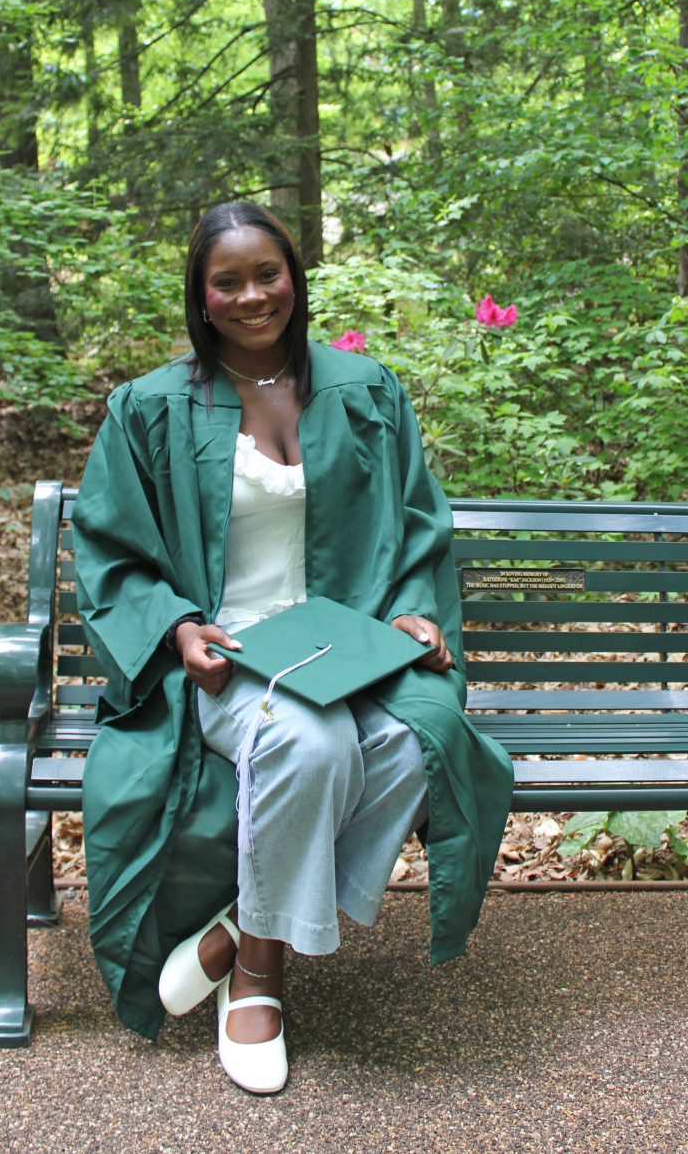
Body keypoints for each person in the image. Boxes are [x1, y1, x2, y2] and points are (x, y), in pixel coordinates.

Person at [72, 200, 513, 1094]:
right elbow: (112, 549)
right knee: (308, 744)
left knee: (415, 743)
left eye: (265, 274)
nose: (250, 296)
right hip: (234, 656)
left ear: (295, 277)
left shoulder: (365, 392)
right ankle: (259, 984)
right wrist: (179, 627)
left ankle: (241, 931)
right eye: (225, 282)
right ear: (200, 296)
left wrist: (412, 614)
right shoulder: (150, 408)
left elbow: (417, 527)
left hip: (348, 651)